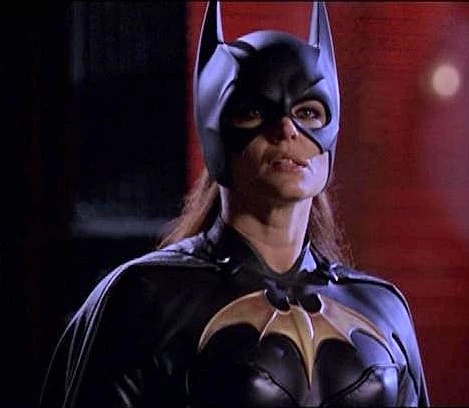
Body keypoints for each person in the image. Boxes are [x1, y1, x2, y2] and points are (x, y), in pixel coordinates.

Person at [38, 1, 429, 407]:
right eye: (254, 110)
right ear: (217, 136)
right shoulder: (147, 299)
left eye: (309, 111)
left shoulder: (381, 309)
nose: (287, 130)